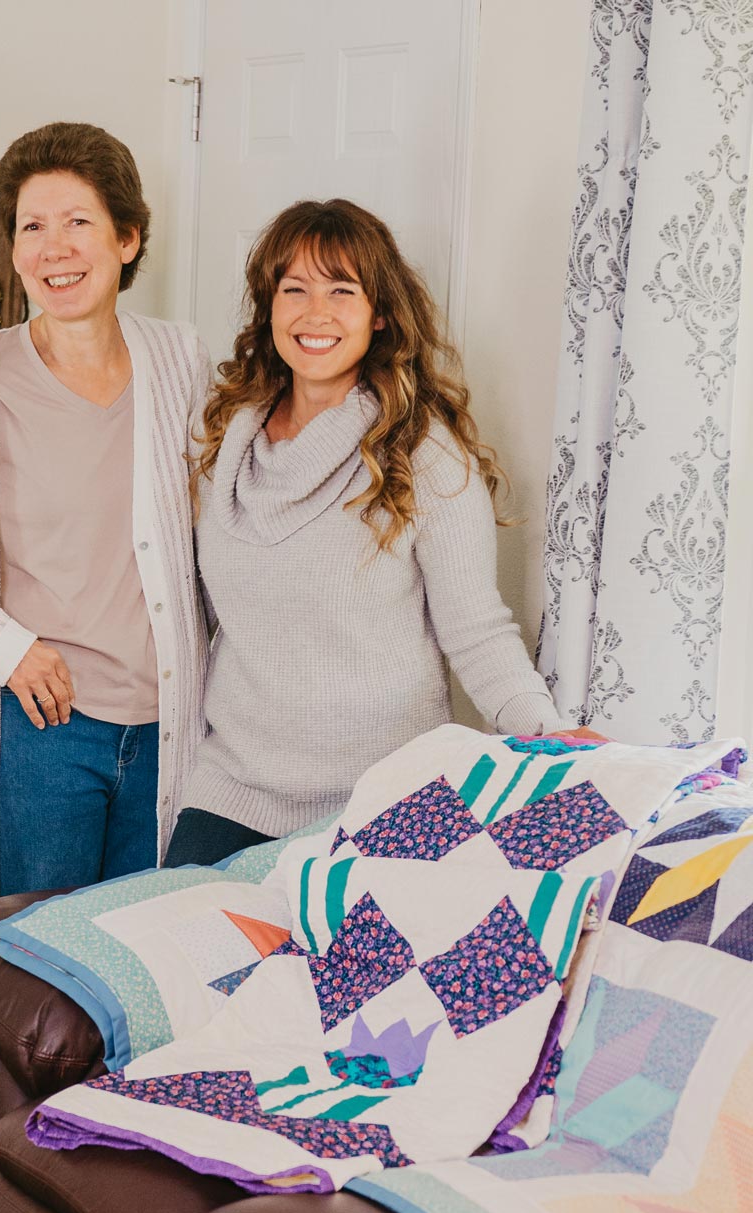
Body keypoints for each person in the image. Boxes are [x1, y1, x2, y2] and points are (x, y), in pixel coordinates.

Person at [0, 123, 211, 917]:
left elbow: (229, 513)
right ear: (14, 251)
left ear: (127, 238)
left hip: (169, 728)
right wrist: (7, 649)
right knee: (34, 972)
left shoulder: (182, 361)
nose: (55, 248)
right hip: (45, 731)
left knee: (143, 973)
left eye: (78, 223)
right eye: (32, 227)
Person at [164, 198, 563, 868]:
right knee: (170, 964)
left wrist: (550, 736)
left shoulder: (423, 453)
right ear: (268, 308)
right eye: (294, 289)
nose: (314, 313)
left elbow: (477, 631)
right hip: (233, 791)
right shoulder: (220, 442)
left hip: (387, 802)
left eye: (341, 291)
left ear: (379, 313)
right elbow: (198, 616)